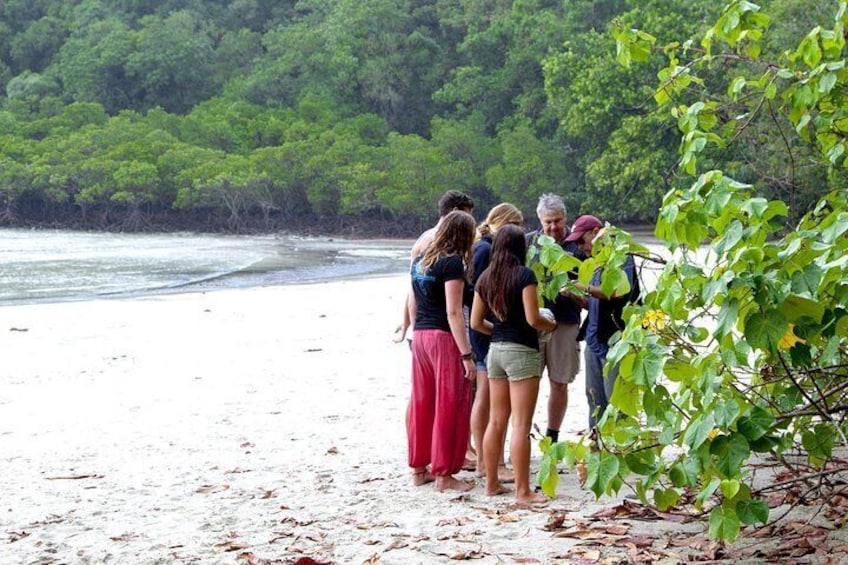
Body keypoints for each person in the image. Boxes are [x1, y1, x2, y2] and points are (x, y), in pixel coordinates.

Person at [471, 225, 557, 506]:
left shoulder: (485, 277)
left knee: (497, 420)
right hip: (521, 351)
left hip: (495, 352)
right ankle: (523, 492)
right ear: (522, 248)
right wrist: (550, 324)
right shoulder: (524, 275)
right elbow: (533, 318)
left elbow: (475, 323)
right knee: (521, 423)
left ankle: (491, 484)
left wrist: (496, 331)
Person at [407, 210, 477, 492]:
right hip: (442, 339)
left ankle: (418, 468)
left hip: (421, 336)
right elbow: (453, 312)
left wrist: (411, 331)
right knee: (449, 405)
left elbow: (412, 301)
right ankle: (445, 475)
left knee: (422, 404)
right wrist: (466, 355)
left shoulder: (420, 261)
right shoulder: (452, 263)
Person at [563, 215, 640, 430]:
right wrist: (575, 296)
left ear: (596, 233)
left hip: (618, 340)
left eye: (581, 240)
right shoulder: (593, 262)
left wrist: (581, 286)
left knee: (618, 403)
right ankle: (597, 449)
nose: (580, 247)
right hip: (594, 339)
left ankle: (622, 451)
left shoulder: (620, 255)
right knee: (594, 400)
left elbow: (617, 292)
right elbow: (595, 303)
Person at [469, 203, 523, 481]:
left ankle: (486, 459)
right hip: (486, 326)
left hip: (486, 324)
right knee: (486, 395)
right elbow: (479, 291)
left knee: (487, 394)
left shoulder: (483, 247)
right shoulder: (486, 250)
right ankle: (486, 461)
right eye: (516, 225)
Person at [525, 194, 585, 443]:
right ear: (540, 219)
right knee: (528, 382)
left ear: (565, 218)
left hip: (566, 323)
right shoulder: (529, 242)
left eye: (557, 221)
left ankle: (552, 435)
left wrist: (574, 292)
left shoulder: (578, 246)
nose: (552, 227)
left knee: (559, 381)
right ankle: (523, 433)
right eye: (548, 222)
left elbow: (589, 293)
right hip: (533, 322)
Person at [395, 191, 475, 343]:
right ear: (455, 212)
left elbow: (414, 288)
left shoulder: (423, 238)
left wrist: (410, 326)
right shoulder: (443, 243)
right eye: (468, 215)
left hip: (422, 329)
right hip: (442, 330)